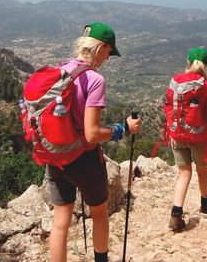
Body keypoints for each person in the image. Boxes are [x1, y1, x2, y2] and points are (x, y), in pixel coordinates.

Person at [46, 22, 141, 262]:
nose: (108, 58)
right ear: (101, 48)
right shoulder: (94, 80)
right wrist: (123, 129)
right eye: (109, 52)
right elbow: (92, 134)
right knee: (99, 214)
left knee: (60, 223)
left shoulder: (58, 72)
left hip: (55, 155)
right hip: (83, 159)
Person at [168, 47, 207, 231]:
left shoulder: (176, 81)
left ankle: (176, 215)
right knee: (202, 170)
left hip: (177, 135)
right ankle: (206, 200)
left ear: (188, 63)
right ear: (206, 65)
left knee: (184, 174)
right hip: (199, 137)